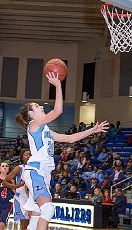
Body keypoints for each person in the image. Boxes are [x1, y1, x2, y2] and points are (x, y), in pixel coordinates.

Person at [15, 72, 109, 230]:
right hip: (35, 171)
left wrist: (93, 130)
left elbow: (71, 139)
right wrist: (58, 85)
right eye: (37, 106)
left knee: (37, 215)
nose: (42, 107)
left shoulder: (45, 130)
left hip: (43, 173)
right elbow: (57, 111)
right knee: (47, 209)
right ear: (31, 114)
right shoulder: (34, 124)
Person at [2, 150, 32, 230]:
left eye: (30, 154)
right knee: (25, 226)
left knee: (33, 225)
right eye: (26, 155)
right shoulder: (19, 168)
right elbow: (4, 182)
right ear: (22, 157)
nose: (28, 156)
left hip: (32, 199)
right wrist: (16, 186)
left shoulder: (35, 169)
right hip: (21, 198)